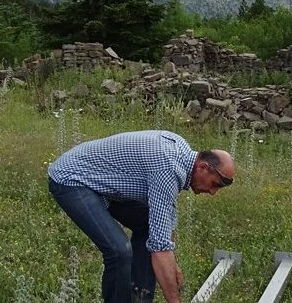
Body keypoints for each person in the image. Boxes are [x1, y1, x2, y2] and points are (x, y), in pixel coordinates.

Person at [48, 130, 235, 303]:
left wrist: (171, 262)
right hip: (73, 179)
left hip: (105, 184)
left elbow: (164, 219)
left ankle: (140, 298)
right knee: (119, 251)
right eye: (214, 184)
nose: (212, 192)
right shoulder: (168, 167)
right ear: (203, 167)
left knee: (148, 226)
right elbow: (160, 248)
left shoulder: (182, 154)